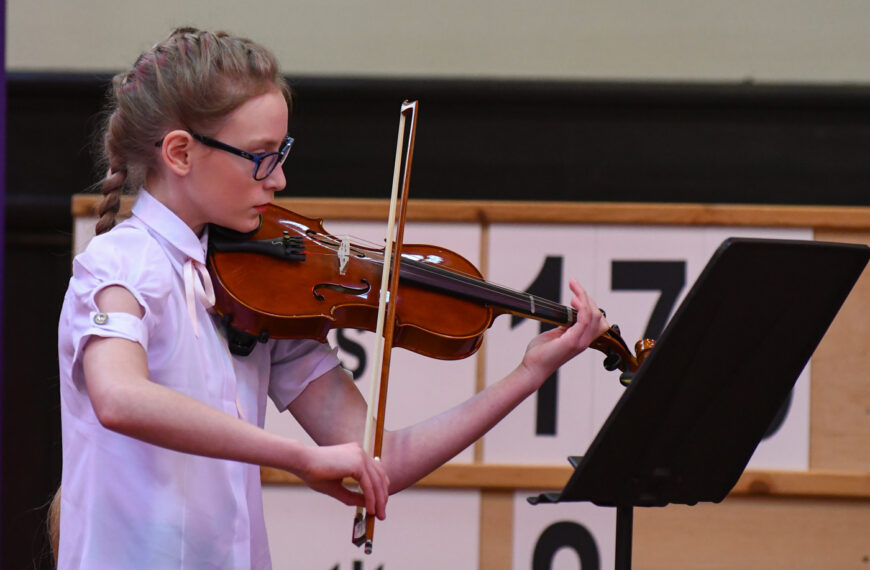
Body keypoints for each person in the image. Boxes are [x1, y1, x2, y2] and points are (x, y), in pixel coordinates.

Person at [56, 27, 609, 569]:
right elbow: (120, 396)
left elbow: (381, 458)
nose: (279, 179)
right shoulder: (120, 264)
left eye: (281, 151)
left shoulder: (257, 295)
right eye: (261, 155)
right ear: (179, 152)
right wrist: (297, 457)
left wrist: (528, 374)